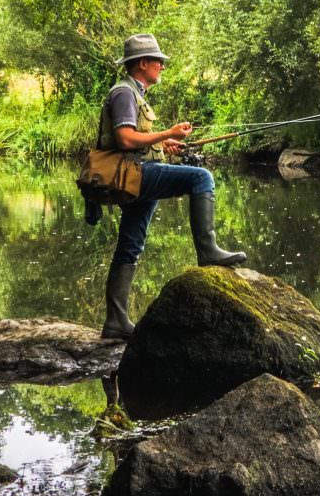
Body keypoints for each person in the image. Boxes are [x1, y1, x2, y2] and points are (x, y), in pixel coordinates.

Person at [98, 33, 245, 339]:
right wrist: (167, 131)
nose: (162, 67)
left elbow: (134, 138)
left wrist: (165, 140)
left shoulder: (133, 92)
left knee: (131, 244)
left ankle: (116, 322)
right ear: (142, 64)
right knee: (200, 177)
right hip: (134, 173)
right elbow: (125, 138)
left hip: (135, 174)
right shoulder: (124, 93)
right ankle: (208, 252)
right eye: (158, 62)